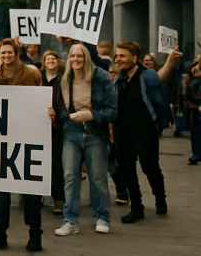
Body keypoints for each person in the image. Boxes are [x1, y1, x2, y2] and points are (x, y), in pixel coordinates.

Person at [0, 38, 46, 253]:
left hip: (28, 136)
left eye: (10, 52)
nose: (6, 56)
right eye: (3, 53)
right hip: (3, 138)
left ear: (16, 53)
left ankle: (35, 233)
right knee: (0, 190)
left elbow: (43, 99)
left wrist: (48, 111)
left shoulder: (31, 72)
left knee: (30, 190)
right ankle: (0, 233)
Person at [51, 44, 117, 236]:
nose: (76, 59)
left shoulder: (101, 76)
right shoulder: (65, 78)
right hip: (71, 132)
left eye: (80, 56)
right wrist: (56, 114)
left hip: (95, 132)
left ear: (86, 57)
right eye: (73, 56)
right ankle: (70, 220)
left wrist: (91, 115)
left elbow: (112, 110)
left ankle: (102, 217)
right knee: (70, 177)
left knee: (98, 177)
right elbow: (60, 108)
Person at [113, 41, 169, 224]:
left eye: (122, 55)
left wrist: (158, 125)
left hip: (145, 131)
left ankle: (160, 198)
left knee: (150, 167)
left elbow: (161, 102)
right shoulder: (119, 79)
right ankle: (137, 207)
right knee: (127, 169)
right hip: (124, 131)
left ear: (134, 58)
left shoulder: (148, 76)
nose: (117, 59)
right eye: (117, 55)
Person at [41, 51, 65, 215]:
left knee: (56, 163)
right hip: (38, 126)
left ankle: (59, 199)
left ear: (58, 61)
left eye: (53, 58)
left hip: (57, 127)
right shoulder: (38, 78)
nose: (50, 61)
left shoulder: (63, 80)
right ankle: (40, 194)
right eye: (47, 59)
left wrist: (58, 115)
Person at [107, 63, 130, 206]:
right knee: (109, 162)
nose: (112, 75)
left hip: (122, 129)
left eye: (115, 73)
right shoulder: (103, 87)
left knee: (120, 162)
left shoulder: (123, 86)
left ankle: (123, 191)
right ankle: (120, 189)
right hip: (106, 129)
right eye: (110, 72)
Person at [185, 57, 201, 165]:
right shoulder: (192, 79)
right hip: (196, 110)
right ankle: (196, 153)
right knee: (196, 131)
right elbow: (188, 96)